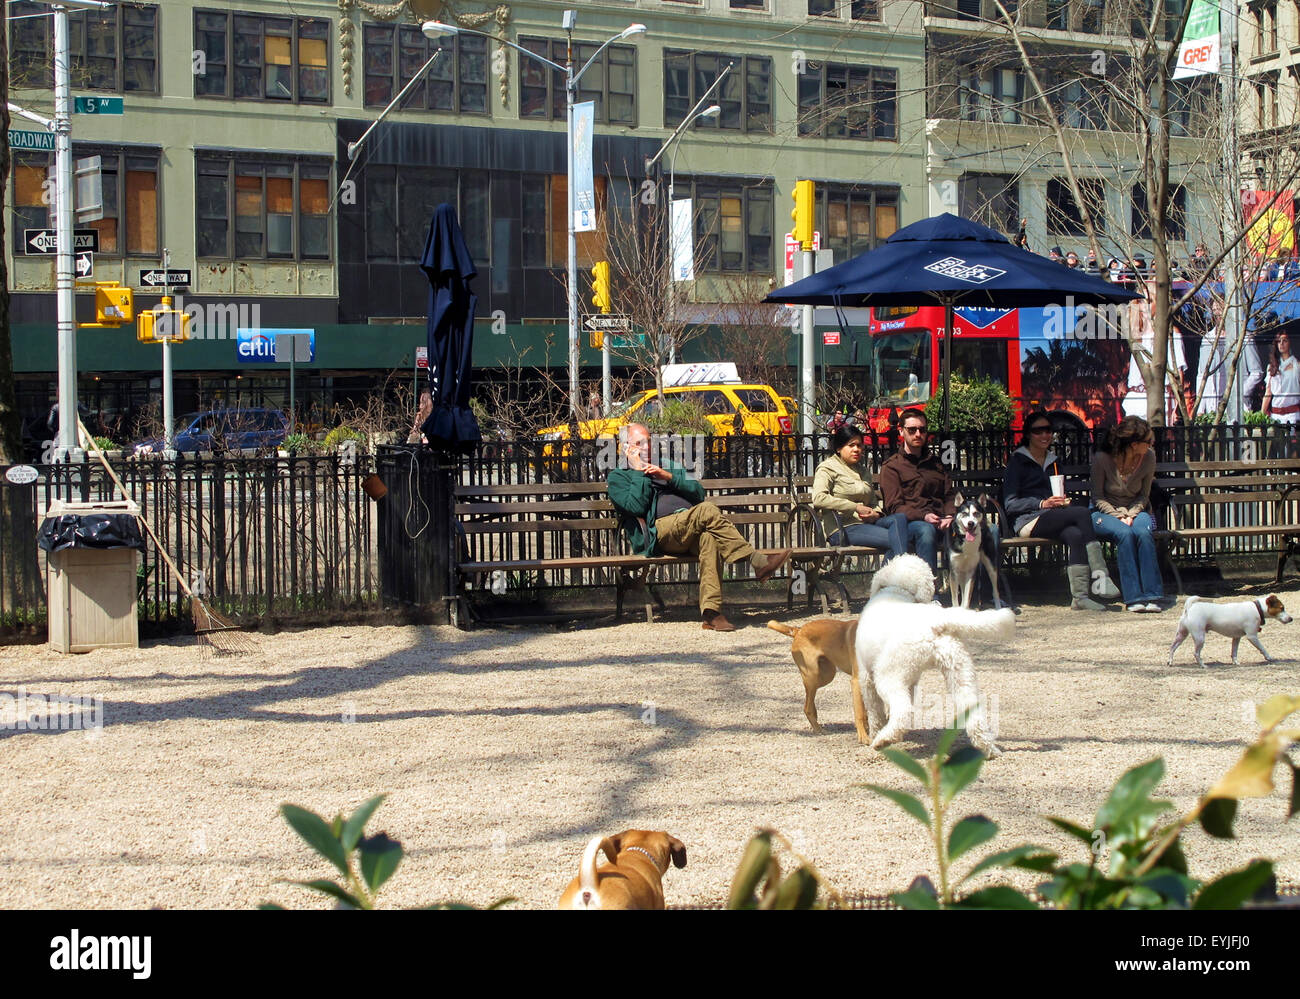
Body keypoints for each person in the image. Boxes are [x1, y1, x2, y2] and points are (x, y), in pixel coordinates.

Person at [606, 423, 791, 632]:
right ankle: (756, 561)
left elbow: (698, 492)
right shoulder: (618, 477)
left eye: (648, 441)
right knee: (706, 510)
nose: (646, 447)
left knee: (709, 538)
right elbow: (636, 506)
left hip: (689, 527)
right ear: (625, 448)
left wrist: (668, 477)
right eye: (639, 443)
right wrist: (639, 470)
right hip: (658, 533)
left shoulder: (667, 465)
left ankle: (712, 613)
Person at [1003, 410, 1120, 611]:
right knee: (1083, 514)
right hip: (1027, 520)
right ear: (1028, 434)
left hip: (1053, 516)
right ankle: (1101, 576)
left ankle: (1080, 598)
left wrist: (1061, 502)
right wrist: (1042, 504)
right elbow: (1010, 504)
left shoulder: (1054, 462)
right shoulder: (1017, 462)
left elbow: (1058, 493)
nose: (1045, 435)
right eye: (1038, 431)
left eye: (1048, 430)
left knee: (1075, 534)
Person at [1090, 417, 1164, 613]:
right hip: (1104, 512)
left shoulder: (1148, 457)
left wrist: (1132, 513)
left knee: (1143, 532)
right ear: (1134, 444)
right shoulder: (1102, 458)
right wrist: (1118, 516)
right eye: (1147, 441)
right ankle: (1133, 597)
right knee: (1124, 533)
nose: (1151, 444)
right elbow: (1097, 496)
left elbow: (1144, 495)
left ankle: (1152, 594)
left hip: (1136, 509)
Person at [812, 425, 907, 559]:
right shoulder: (827, 468)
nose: (857, 449)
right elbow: (819, 498)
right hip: (843, 527)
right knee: (897, 540)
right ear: (839, 448)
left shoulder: (863, 471)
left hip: (868, 524)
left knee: (900, 519)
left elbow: (873, 502)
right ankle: (892, 578)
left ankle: (888, 577)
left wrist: (876, 514)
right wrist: (855, 507)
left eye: (859, 445)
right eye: (851, 445)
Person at [878, 408, 955, 573]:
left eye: (922, 429)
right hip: (912, 524)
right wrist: (924, 516)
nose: (918, 434)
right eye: (912, 430)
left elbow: (949, 495)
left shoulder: (936, 464)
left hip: (943, 521)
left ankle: (988, 594)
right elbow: (894, 507)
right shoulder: (892, 466)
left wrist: (950, 515)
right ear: (901, 431)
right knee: (925, 530)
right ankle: (929, 593)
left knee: (989, 529)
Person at [1263, 330, 1299, 425]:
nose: (1281, 344)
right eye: (1279, 341)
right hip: (1275, 416)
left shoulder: (1297, 365)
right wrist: (1262, 414)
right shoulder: (1271, 366)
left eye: (1284, 341)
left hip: (1293, 415)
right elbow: (1268, 392)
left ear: (1289, 343)